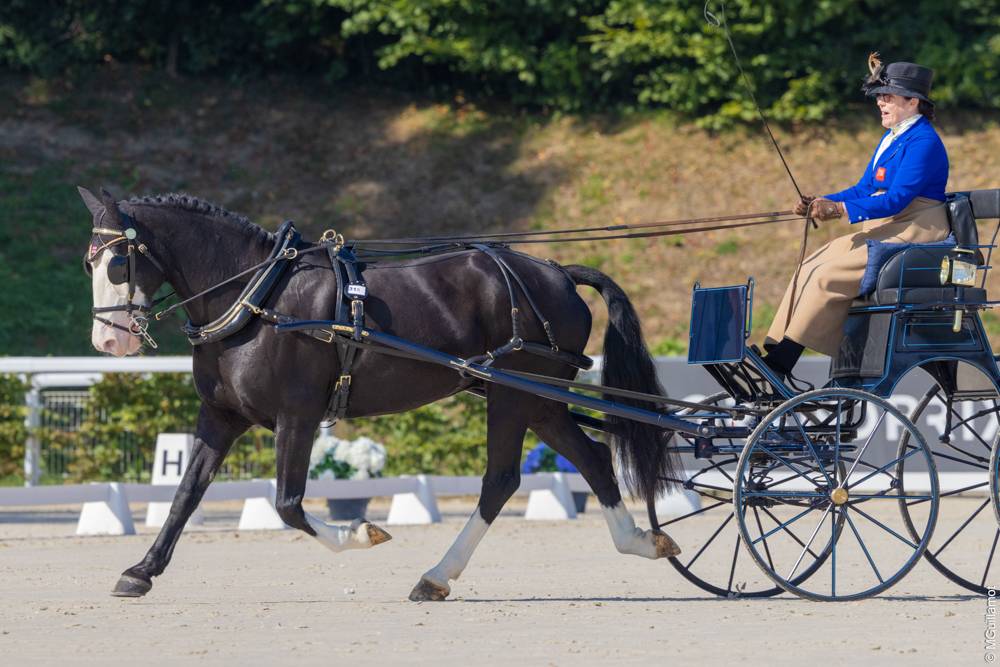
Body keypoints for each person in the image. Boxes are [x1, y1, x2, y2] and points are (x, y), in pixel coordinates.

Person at [763, 55, 951, 378]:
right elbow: (864, 189)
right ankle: (774, 347)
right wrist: (822, 201)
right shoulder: (892, 138)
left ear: (913, 101)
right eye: (879, 96)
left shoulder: (924, 142)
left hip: (916, 229)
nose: (880, 102)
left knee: (828, 275)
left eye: (887, 96)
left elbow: (897, 199)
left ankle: (783, 362)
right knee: (811, 264)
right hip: (890, 225)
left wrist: (839, 210)